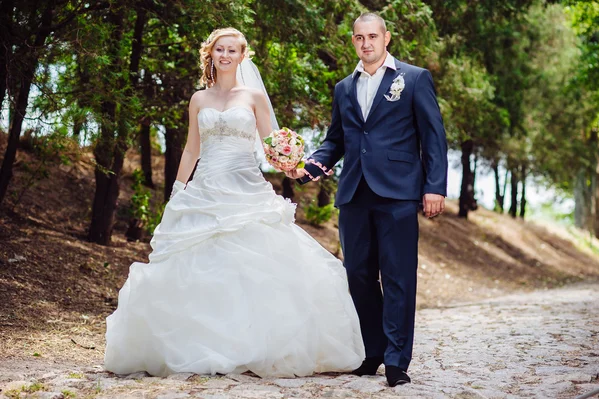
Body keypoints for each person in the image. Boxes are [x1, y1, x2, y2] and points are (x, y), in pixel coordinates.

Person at [104, 27, 365, 378]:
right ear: (210, 54)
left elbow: (273, 145)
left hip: (246, 188)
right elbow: (192, 148)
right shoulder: (199, 99)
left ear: (243, 56)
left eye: (232, 50)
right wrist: (178, 191)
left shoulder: (254, 97)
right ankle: (199, 346)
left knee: (255, 266)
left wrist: (296, 165)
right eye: (219, 50)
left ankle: (255, 346)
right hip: (205, 190)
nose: (225, 55)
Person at [286, 13, 448, 387]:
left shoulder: (414, 78)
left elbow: (433, 136)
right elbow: (336, 140)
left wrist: (434, 186)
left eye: (372, 36)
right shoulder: (344, 87)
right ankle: (372, 350)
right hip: (355, 192)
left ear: (386, 38)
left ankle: (396, 360)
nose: (366, 43)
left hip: (399, 193)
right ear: (353, 41)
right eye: (359, 38)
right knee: (357, 275)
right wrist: (310, 165)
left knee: (398, 277)